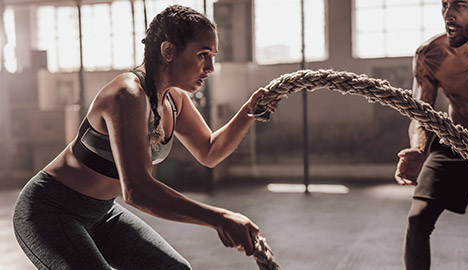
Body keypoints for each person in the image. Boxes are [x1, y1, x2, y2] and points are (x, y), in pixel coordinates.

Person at [13, 5, 277, 270]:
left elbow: (210, 151)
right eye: (202, 55)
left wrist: (248, 112)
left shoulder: (174, 99)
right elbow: (137, 190)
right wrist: (219, 218)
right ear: (168, 51)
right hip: (51, 211)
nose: (210, 67)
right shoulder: (127, 95)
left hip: (102, 213)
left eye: (212, 56)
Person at [394, 0, 468, 269]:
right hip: (458, 139)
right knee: (418, 220)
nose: (448, 14)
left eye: (460, 5)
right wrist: (419, 149)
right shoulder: (430, 55)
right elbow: (421, 111)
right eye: (444, 4)